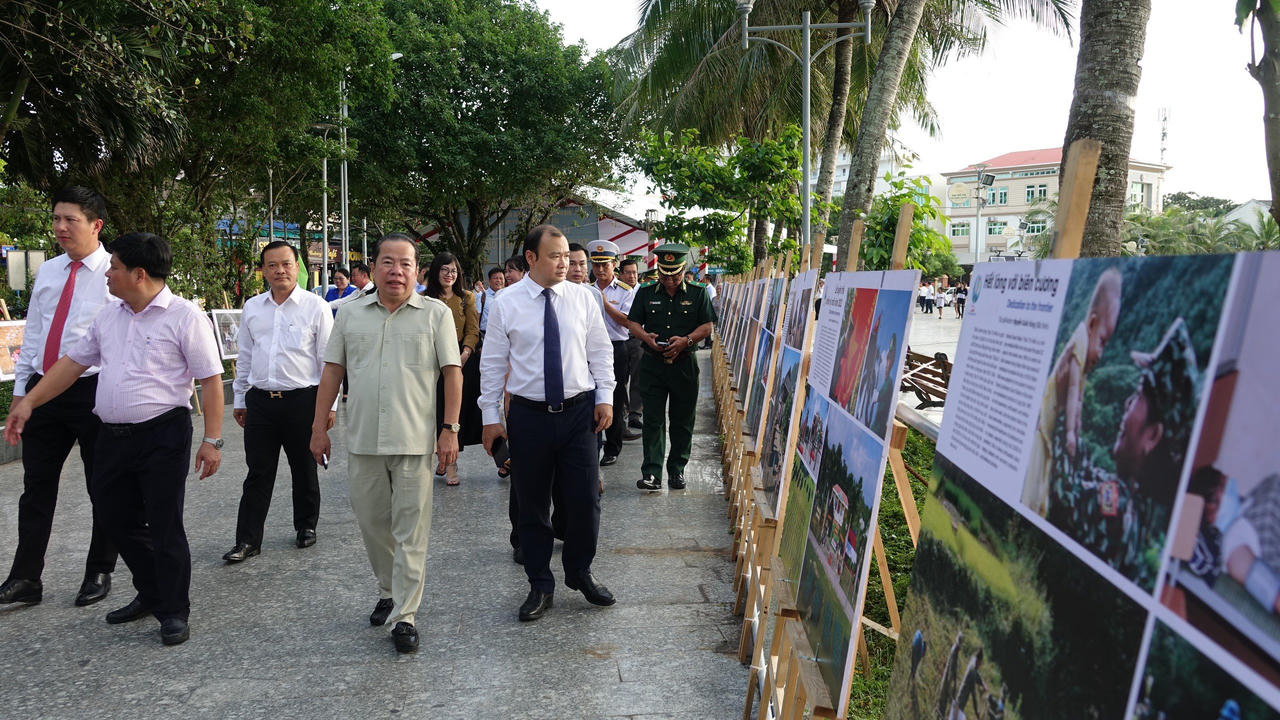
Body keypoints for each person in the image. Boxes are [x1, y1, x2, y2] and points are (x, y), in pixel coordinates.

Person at [6, 232, 225, 646]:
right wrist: (28, 401)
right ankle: (151, 591)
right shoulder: (110, 316)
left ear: (139, 274)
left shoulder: (184, 317)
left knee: (164, 524)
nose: (108, 273)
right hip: (112, 435)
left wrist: (213, 440)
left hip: (163, 432)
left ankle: (174, 610)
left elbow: (212, 382)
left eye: (116, 267)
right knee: (113, 516)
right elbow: (72, 364)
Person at [309, 233, 462, 654]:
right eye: (388, 263)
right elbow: (332, 372)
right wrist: (318, 428)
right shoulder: (351, 313)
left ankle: (406, 616)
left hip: (415, 441)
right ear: (373, 268)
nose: (397, 271)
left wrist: (450, 428)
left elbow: (453, 373)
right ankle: (389, 588)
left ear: (418, 270)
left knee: (411, 531)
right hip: (363, 440)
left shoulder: (435, 314)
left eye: (406, 264)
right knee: (374, 524)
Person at [480, 224, 616, 622]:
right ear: (531, 258)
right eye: (555, 256)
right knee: (532, 503)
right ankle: (540, 582)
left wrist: (604, 397)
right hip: (529, 416)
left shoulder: (584, 298)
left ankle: (579, 571)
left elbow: (600, 350)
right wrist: (491, 418)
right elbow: (492, 366)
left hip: (579, 413)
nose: (565, 264)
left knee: (585, 500)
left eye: (568, 257)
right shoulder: (506, 302)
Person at [0, 186, 118, 608]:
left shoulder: (114, 272)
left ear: (96, 225)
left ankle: (99, 569)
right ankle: (26, 577)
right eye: (56, 219)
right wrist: (21, 391)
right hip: (44, 389)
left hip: (93, 389)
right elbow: (33, 333)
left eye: (70, 219)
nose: (60, 227)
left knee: (101, 485)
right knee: (36, 486)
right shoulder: (49, 271)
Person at [1049, 319, 1198, 588]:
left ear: (1153, 435)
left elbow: (1064, 491)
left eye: (1138, 394)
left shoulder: (1118, 507)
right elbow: (1091, 477)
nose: (1128, 402)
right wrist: (1076, 437)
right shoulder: (1131, 503)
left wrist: (1063, 419)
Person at [222, 241, 335, 564]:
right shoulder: (253, 308)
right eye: (272, 265)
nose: (279, 271)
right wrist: (240, 398)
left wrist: (328, 409)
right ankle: (247, 540)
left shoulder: (315, 307)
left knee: (303, 467)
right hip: (260, 401)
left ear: (297, 266)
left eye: (286, 264)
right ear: (263, 270)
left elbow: (328, 362)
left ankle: (306, 526)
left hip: (302, 400)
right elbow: (244, 356)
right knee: (257, 471)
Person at [1023, 267, 1122, 517]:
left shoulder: (1085, 358)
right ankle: (1027, 512)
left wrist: (1076, 430)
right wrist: (1069, 432)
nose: (1101, 352)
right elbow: (1073, 392)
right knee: (1036, 473)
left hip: (1048, 425)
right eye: (1102, 341)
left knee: (1044, 470)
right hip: (1044, 423)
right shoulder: (1080, 339)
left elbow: (1078, 401)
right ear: (1091, 323)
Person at [624, 243, 716, 491]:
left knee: (682, 421)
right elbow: (633, 323)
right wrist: (646, 338)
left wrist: (685, 341)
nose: (669, 279)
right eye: (664, 274)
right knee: (653, 420)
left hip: (684, 365)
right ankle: (652, 473)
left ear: (683, 269)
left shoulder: (698, 293)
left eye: (674, 274)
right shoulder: (645, 292)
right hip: (652, 365)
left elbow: (707, 327)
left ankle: (677, 470)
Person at [421, 252, 481, 486]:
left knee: (455, 413)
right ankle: (441, 457)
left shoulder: (467, 298)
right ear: (436, 272)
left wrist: (465, 353)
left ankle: (452, 462)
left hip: (460, 358)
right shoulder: (423, 299)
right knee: (434, 410)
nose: (450, 275)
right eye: (445, 270)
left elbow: (473, 330)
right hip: (430, 362)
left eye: (454, 271)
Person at [589, 240, 640, 467]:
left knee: (616, 399)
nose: (600, 270)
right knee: (590, 397)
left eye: (605, 265)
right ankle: (593, 445)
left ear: (615, 265)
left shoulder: (625, 291)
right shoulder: (585, 289)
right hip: (589, 349)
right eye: (596, 265)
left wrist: (603, 302)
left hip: (616, 348)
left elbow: (626, 321)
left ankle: (612, 447)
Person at [618, 258, 645, 431]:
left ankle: (635, 413)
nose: (631, 276)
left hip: (637, 339)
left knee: (638, 376)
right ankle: (623, 411)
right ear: (621, 274)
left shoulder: (644, 291)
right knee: (620, 379)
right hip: (620, 339)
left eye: (634, 272)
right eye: (627, 272)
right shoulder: (616, 291)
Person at [476, 266, 505, 338]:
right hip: (485, 336)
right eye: (495, 278)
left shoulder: (507, 297)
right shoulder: (482, 296)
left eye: (501, 278)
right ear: (489, 280)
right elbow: (476, 319)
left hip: (503, 336)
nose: (498, 280)